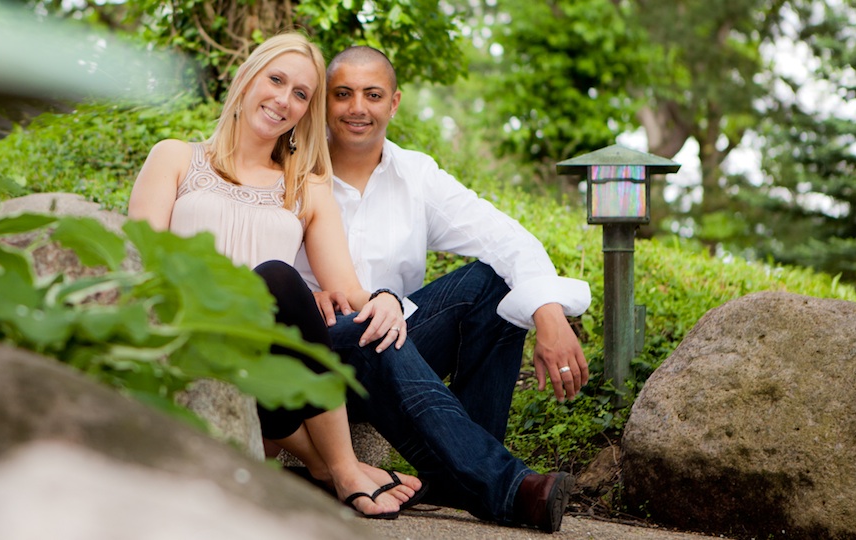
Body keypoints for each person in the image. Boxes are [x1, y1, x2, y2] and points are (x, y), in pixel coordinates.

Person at [293, 46, 592, 532]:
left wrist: (549, 313)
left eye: (373, 95)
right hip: (323, 355)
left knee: (493, 283)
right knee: (371, 327)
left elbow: (506, 237)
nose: (357, 108)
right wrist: (306, 297)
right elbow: (257, 261)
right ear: (325, 102)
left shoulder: (416, 175)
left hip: (398, 346)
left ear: (394, 103)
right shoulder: (294, 169)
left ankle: (461, 469)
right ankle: (503, 486)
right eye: (342, 94)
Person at [126, 33, 424, 520]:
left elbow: (348, 290)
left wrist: (387, 297)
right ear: (247, 78)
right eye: (277, 80)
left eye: (302, 94)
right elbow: (139, 263)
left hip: (267, 374)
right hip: (184, 338)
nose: (284, 99)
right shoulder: (176, 157)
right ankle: (335, 466)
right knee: (277, 280)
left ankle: (329, 468)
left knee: (281, 281)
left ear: (306, 111)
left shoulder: (306, 187)